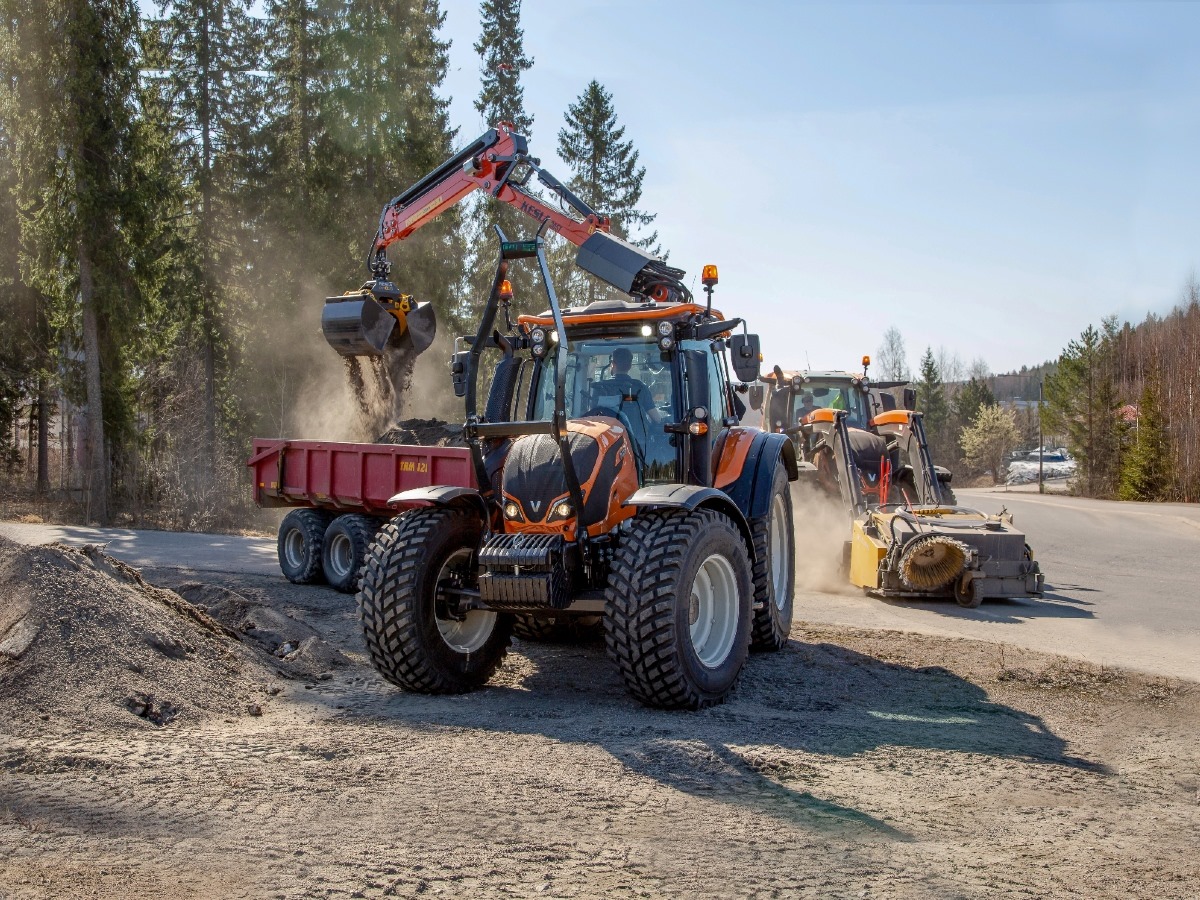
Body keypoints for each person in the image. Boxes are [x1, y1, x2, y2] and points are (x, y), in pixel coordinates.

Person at [607, 347, 662, 424]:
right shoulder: (640, 387)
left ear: (613, 364)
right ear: (630, 365)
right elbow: (656, 418)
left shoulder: (600, 388)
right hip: (637, 435)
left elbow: (592, 415)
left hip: (607, 435)